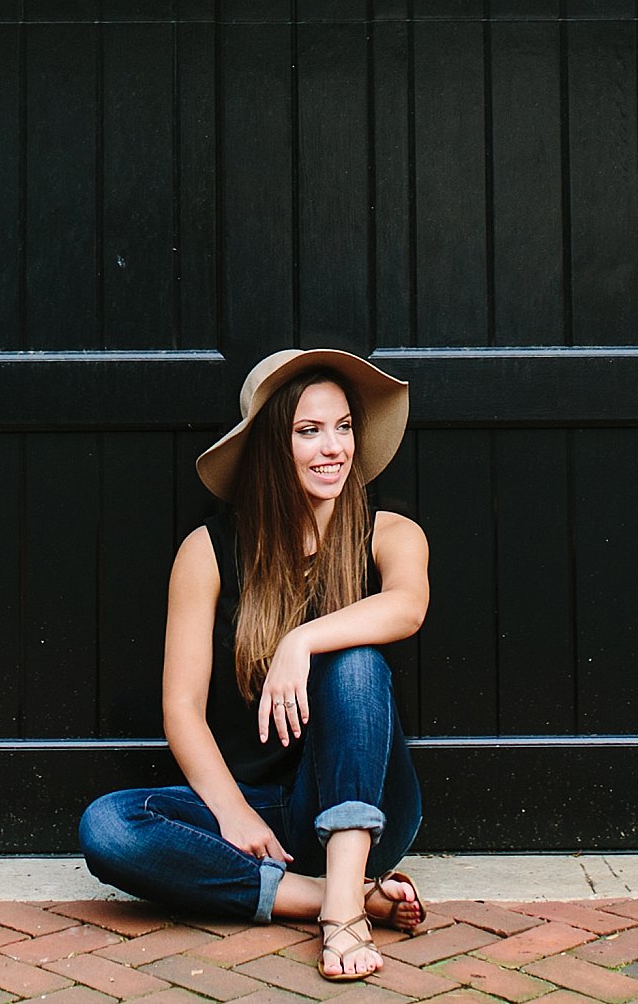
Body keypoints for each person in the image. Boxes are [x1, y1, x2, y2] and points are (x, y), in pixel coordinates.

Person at [78, 349, 434, 981]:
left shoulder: (389, 532)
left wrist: (300, 640)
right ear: (273, 444)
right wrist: (231, 812)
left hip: (365, 799)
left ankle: (343, 910)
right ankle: (331, 896)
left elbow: (407, 607)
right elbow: (181, 708)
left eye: (344, 426)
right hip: (260, 809)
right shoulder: (210, 551)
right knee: (109, 826)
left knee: (354, 661)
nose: (334, 448)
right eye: (309, 430)